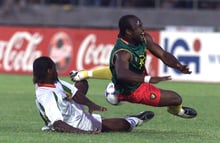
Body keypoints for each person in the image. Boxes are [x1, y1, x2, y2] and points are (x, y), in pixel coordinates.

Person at [70, 14, 197, 119]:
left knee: (117, 70)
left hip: (138, 74)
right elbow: (122, 74)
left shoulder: (143, 38)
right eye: (138, 27)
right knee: (176, 99)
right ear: (129, 32)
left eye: (141, 25)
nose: (142, 29)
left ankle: (90, 77)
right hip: (134, 91)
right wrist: (148, 79)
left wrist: (178, 65)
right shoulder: (123, 52)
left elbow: (163, 54)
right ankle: (177, 111)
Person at [33, 56, 154, 134]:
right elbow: (57, 124)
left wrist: (91, 104)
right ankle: (134, 120)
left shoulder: (53, 81)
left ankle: (95, 115)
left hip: (70, 107)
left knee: (81, 82)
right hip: (75, 123)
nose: (57, 70)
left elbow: (74, 93)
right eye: (54, 68)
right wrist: (83, 132)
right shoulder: (46, 96)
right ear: (49, 71)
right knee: (122, 125)